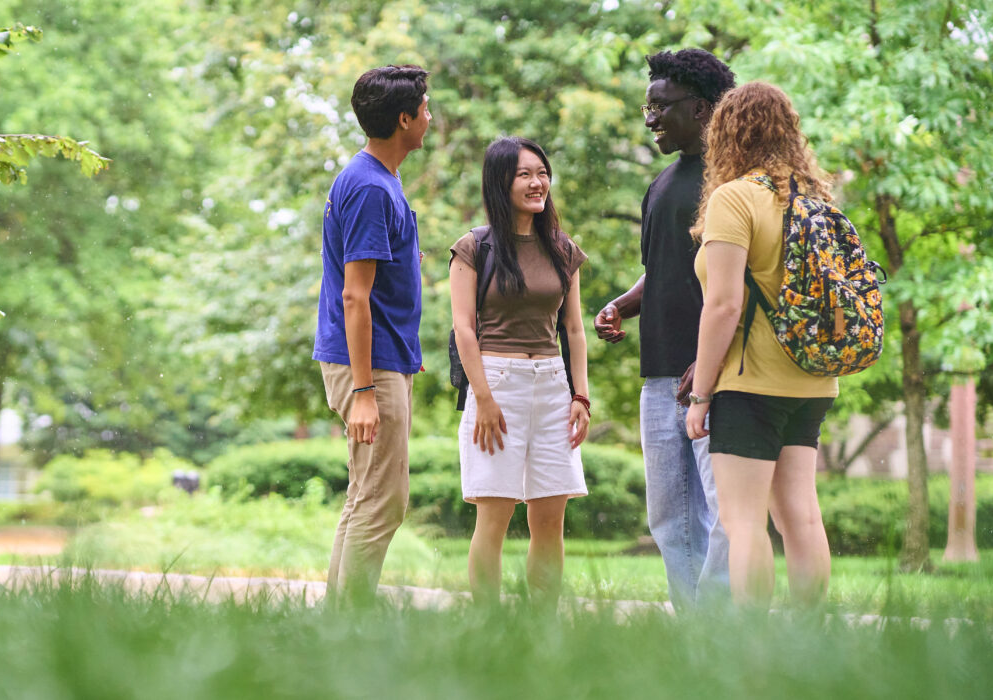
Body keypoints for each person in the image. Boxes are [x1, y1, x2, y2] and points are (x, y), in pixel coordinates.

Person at [684, 81, 838, 608]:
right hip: (813, 380)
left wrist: (700, 395)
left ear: (728, 134)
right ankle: (809, 640)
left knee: (743, 521)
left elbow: (723, 306)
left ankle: (754, 647)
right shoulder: (813, 200)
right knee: (801, 514)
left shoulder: (735, 198)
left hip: (750, 384)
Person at [593, 49, 736, 610]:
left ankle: (721, 633)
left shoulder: (731, 181)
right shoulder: (660, 184)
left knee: (724, 514)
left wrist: (710, 365)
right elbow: (663, 268)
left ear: (701, 109)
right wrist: (623, 305)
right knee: (669, 516)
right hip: (659, 376)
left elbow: (739, 281)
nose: (649, 118)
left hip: (715, 373)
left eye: (660, 106)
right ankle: (691, 634)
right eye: (646, 107)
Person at [450, 137, 590, 607]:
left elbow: (573, 329)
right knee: (495, 515)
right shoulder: (475, 247)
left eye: (542, 173)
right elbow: (464, 329)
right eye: (524, 174)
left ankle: (542, 626)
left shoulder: (562, 250)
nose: (538, 183)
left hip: (552, 386)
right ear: (500, 182)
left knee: (550, 518)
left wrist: (581, 396)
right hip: (496, 383)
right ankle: (490, 626)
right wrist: (484, 398)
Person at [312, 65, 431, 606]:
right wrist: (364, 391)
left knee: (368, 496)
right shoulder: (368, 187)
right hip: (368, 365)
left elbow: (378, 285)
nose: (431, 117)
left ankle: (341, 622)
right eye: (425, 108)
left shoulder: (377, 180)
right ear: (404, 119)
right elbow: (354, 296)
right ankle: (351, 629)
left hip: (384, 359)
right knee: (383, 501)